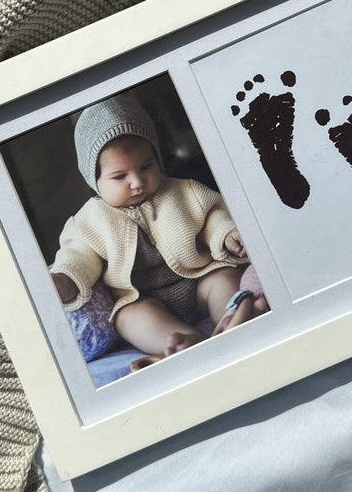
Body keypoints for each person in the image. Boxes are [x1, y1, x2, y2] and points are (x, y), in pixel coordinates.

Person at [50, 95, 268, 367]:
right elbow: (79, 254)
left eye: (146, 167)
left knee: (223, 278)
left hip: (199, 278)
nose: (137, 182)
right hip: (143, 298)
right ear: (94, 180)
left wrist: (225, 234)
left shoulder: (184, 191)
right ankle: (184, 341)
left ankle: (231, 318)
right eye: (120, 176)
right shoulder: (89, 221)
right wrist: (67, 279)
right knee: (126, 318)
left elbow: (212, 216)